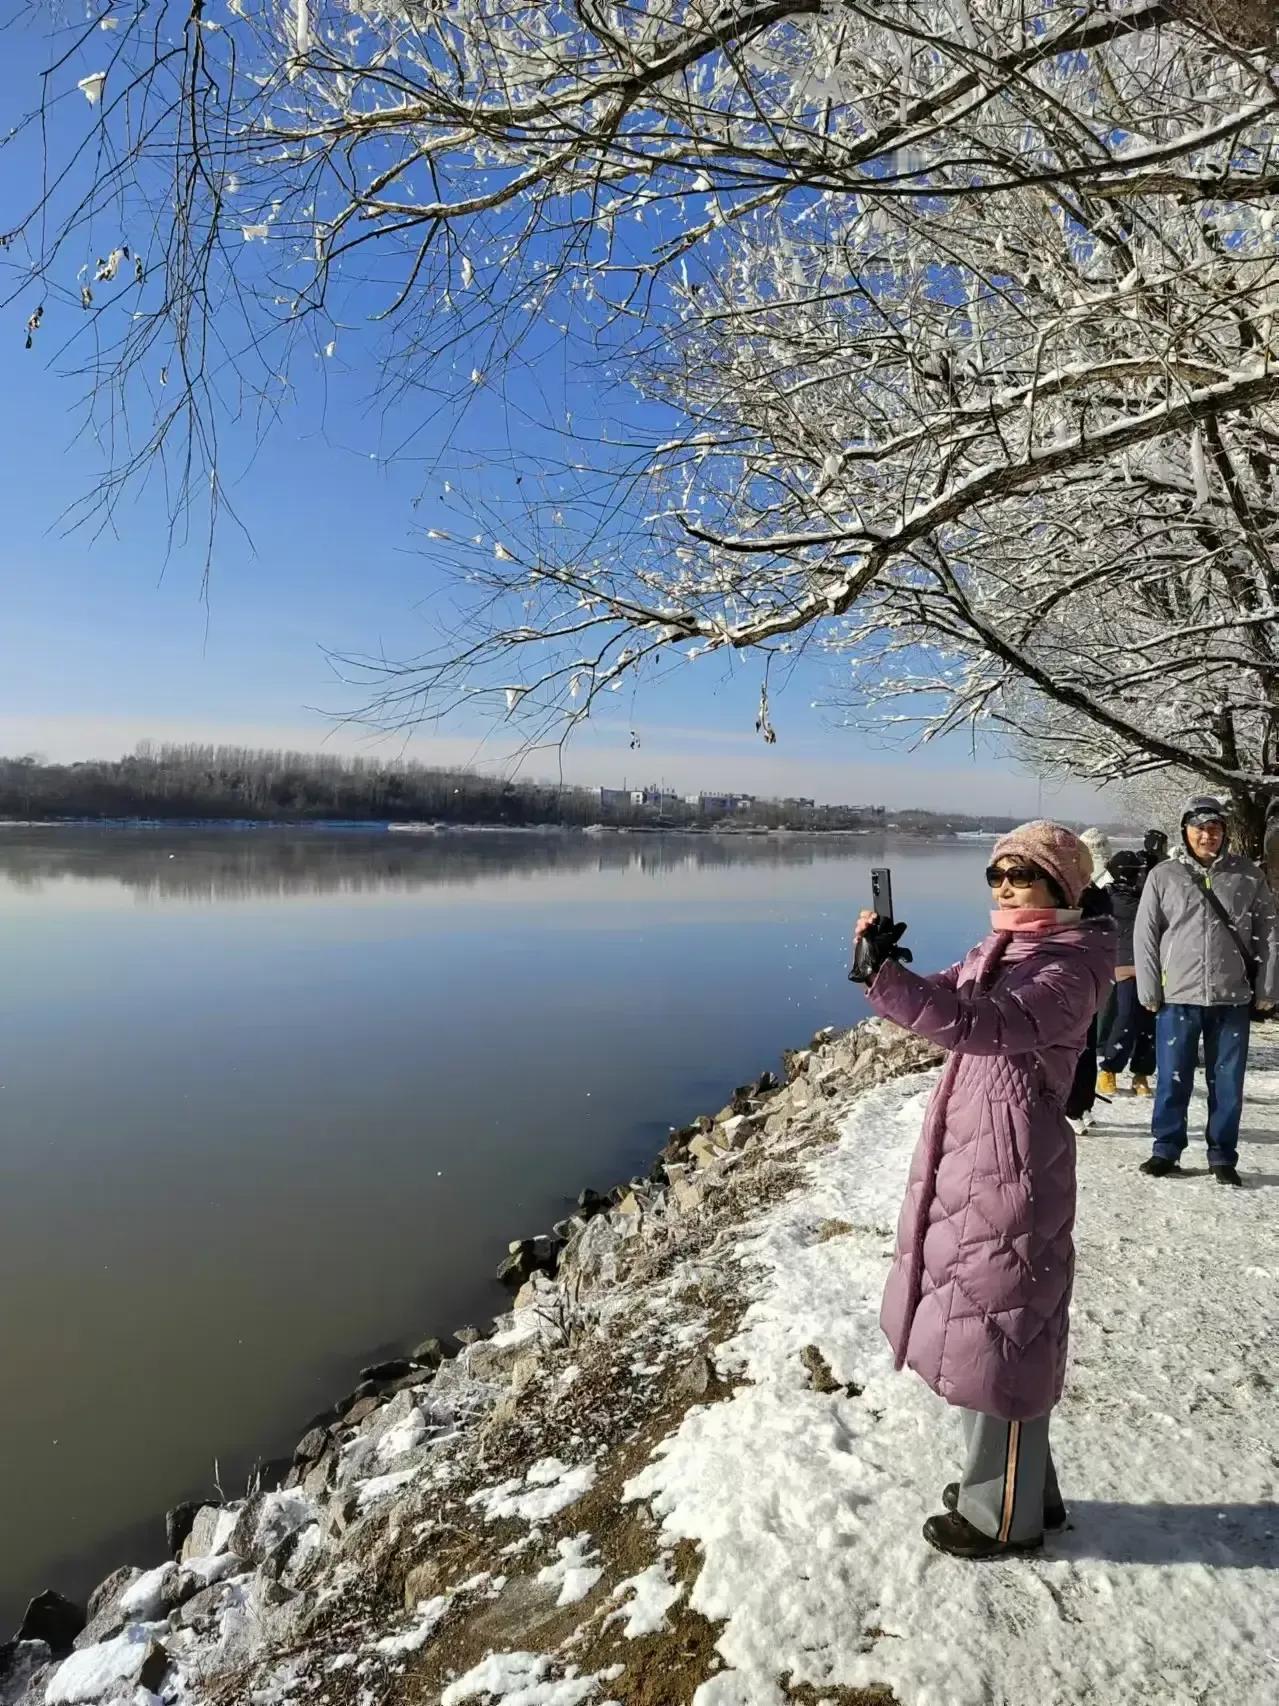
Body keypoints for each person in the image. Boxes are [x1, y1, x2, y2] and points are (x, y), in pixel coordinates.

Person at [852, 822, 1113, 1559]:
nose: (1001, 886)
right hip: (976, 1158)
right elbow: (941, 998)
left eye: (1019, 874)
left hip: (1013, 1166)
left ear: (1062, 886)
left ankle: (1001, 1515)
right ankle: (1025, 1490)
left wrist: (890, 983)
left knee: (1001, 1336)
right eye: (994, 874)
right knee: (987, 1328)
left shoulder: (1067, 966)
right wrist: (888, 967)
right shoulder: (1002, 947)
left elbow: (982, 1024)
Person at [1134, 796, 1279, 1186]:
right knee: (1172, 1077)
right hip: (1178, 995)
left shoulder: (1248, 875)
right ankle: (1166, 1148)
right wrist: (1148, 987)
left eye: (1214, 827)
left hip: (1232, 997)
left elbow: (1269, 933)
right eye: (1199, 827)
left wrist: (1268, 986)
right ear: (1185, 831)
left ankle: (1222, 1155)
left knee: (1228, 1081)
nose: (1207, 834)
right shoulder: (1164, 876)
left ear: (1224, 832)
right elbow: (1146, 935)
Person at [1064, 830, 1115, 1134]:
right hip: (1065, 981)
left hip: (1090, 981)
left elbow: (1106, 936)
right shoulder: (1062, 895)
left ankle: (1082, 1103)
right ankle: (1071, 1105)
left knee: (1086, 1045)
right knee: (1071, 1047)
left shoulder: (1098, 894)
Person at [1096, 850, 1156, 1097]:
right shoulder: (1107, 897)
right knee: (1126, 1019)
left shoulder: (1147, 895)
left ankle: (1141, 1073)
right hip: (1124, 966)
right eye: (1134, 871)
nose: (1137, 875)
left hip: (1152, 966)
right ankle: (1109, 1068)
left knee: (1150, 1024)